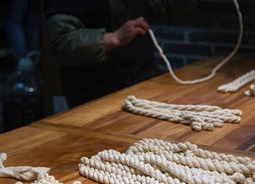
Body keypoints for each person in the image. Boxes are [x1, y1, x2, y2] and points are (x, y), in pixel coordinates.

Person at [44, 0, 199, 108]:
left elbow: (167, 9)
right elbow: (61, 42)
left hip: (143, 78)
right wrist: (114, 38)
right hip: (95, 92)